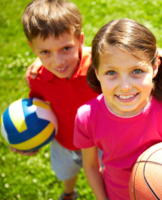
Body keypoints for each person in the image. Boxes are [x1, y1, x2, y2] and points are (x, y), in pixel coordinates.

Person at [73, 18, 162, 200]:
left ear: (155, 67)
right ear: (97, 73)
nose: (125, 86)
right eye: (111, 73)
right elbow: (91, 166)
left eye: (137, 71)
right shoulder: (87, 117)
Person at [10, 0, 99, 199]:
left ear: (80, 40)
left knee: (104, 179)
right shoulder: (38, 79)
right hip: (63, 143)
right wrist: (27, 140)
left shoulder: (99, 67)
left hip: (100, 142)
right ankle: (69, 193)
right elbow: (38, 112)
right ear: (33, 49)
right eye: (45, 52)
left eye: (66, 48)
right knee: (66, 173)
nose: (58, 62)